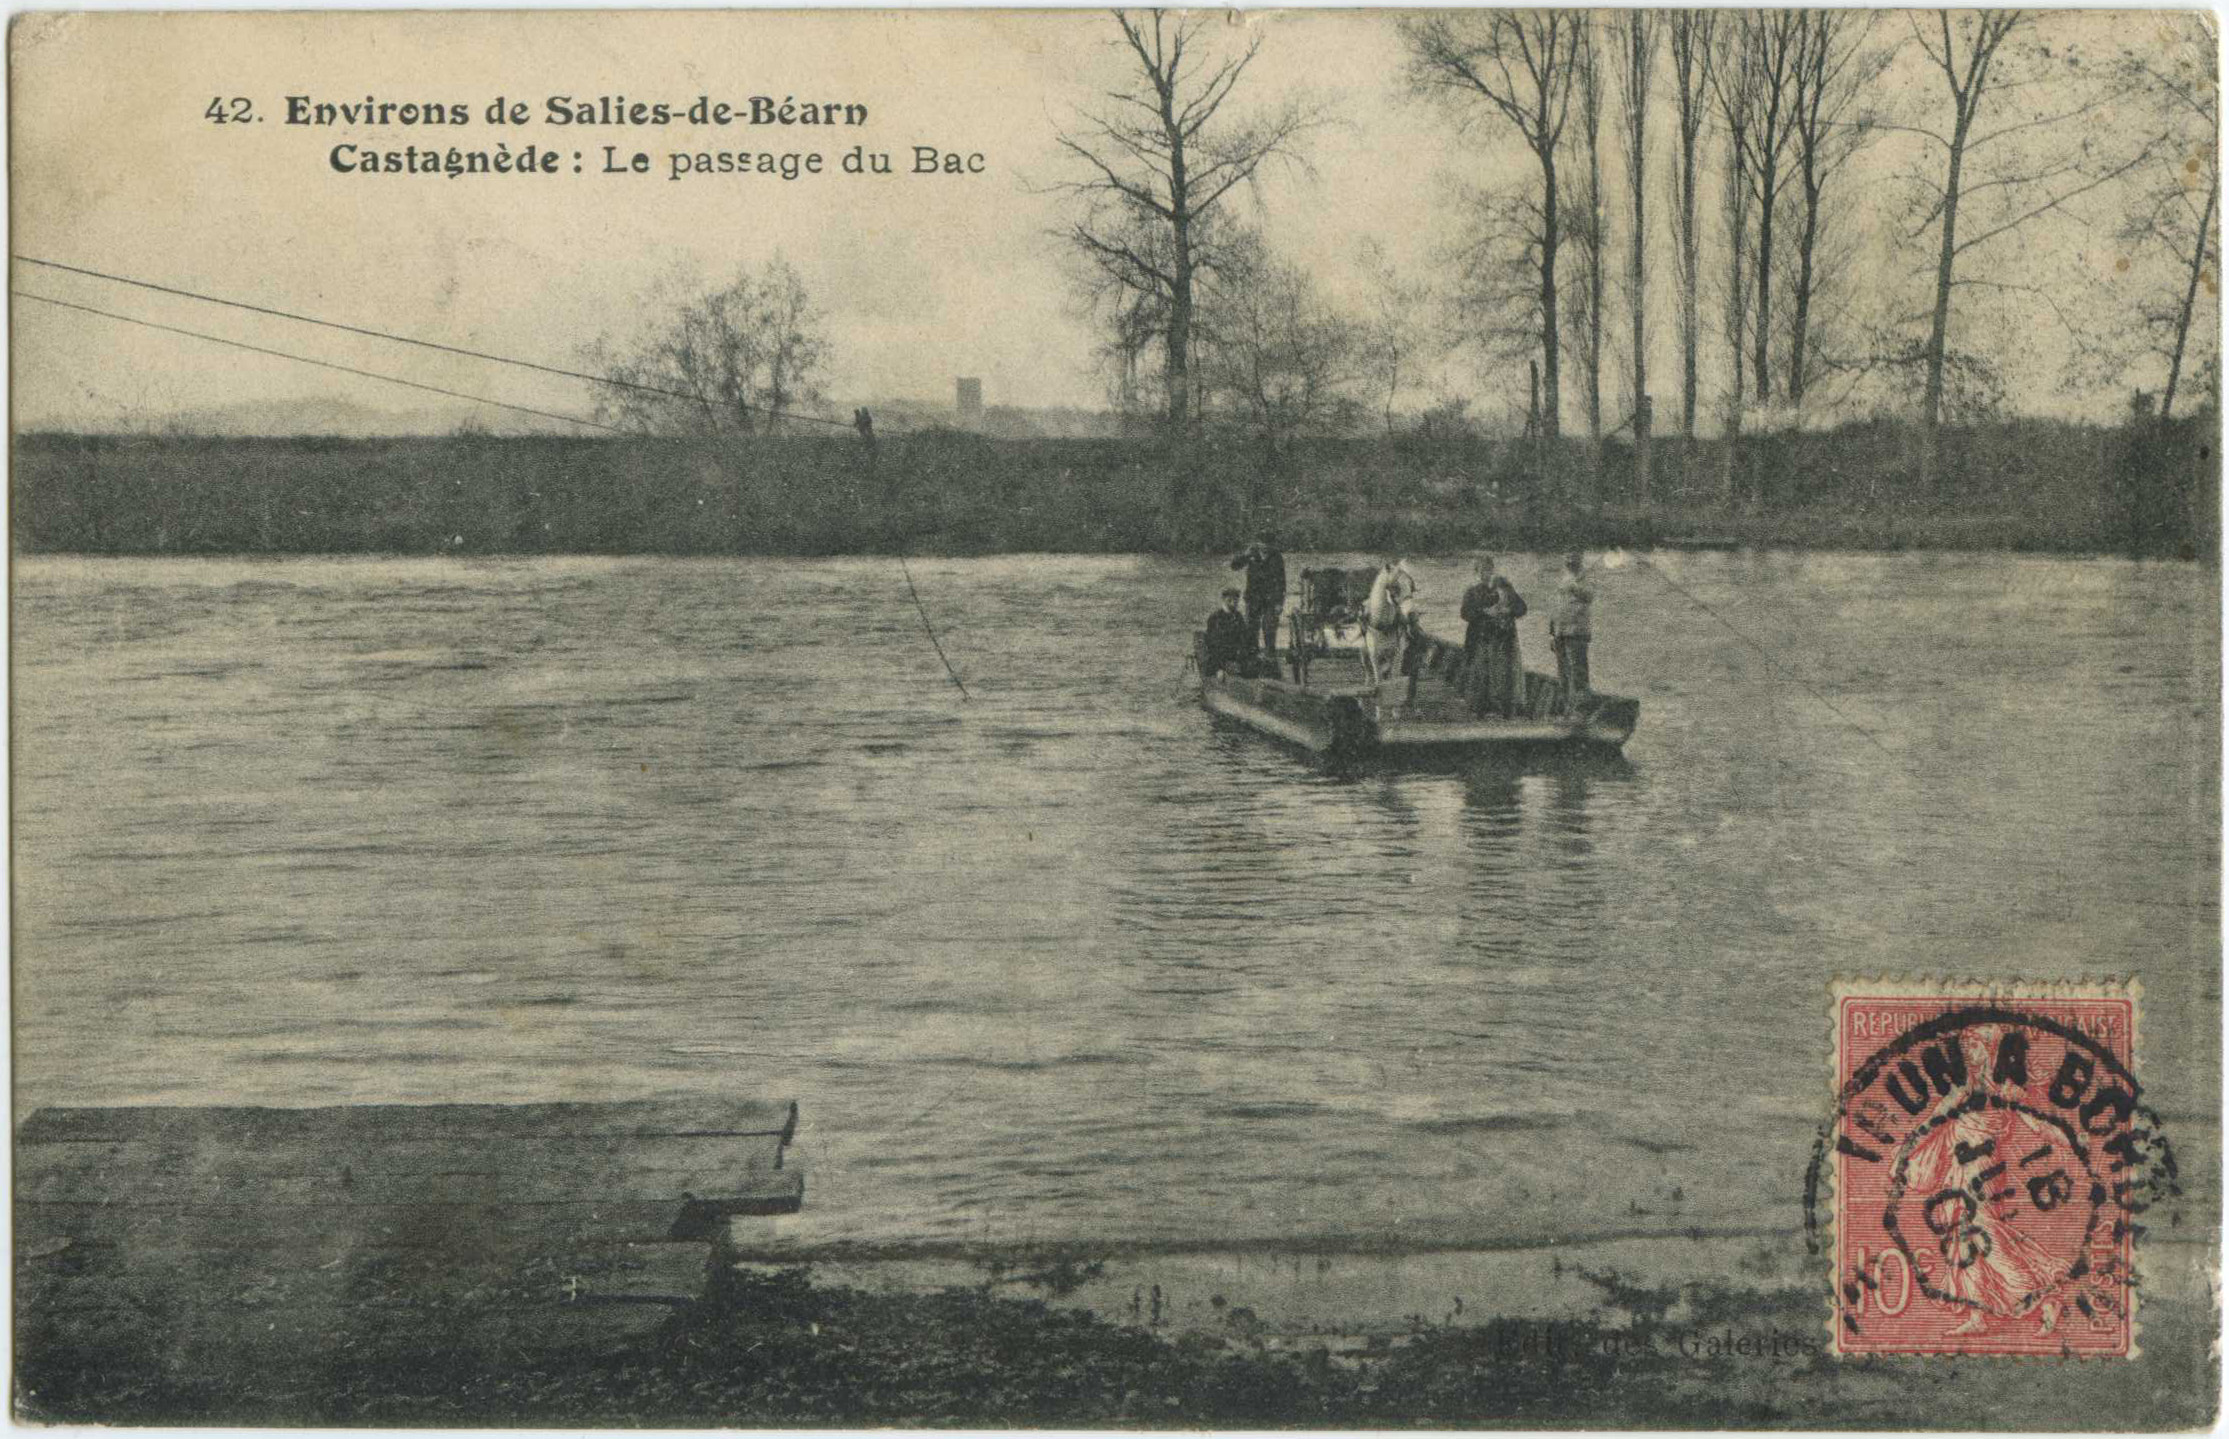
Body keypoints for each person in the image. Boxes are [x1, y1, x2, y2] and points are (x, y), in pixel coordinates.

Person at [1460, 558, 1526, 718]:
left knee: (1502, 676)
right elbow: (1465, 614)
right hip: (1480, 640)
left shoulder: (1505, 588)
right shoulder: (1472, 592)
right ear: (1476, 573)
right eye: (1482, 570)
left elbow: (1522, 608)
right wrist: (1484, 612)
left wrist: (1507, 611)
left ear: (1493, 570)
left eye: (1488, 570)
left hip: (1502, 641)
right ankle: (1480, 709)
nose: (1485, 574)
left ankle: (1502, 709)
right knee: (1481, 675)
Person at [1363, 557, 1417, 688]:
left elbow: (1405, 593)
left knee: (1411, 633)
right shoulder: (1385, 576)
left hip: (1397, 607)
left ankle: (1405, 666)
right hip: (1378, 603)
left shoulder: (1400, 574)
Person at [1229, 535, 1287, 656]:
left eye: (1268, 543)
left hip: (1271, 598)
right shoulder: (1251, 553)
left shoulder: (1276, 557)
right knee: (1251, 628)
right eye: (1262, 543)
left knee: (1269, 626)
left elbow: (1281, 582)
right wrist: (1245, 555)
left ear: (1273, 544)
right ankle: (1252, 655)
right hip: (1253, 597)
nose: (1265, 546)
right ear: (1257, 543)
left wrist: (1279, 603)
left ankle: (1270, 654)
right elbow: (1234, 566)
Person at [1549, 551, 1593, 711]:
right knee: (1563, 671)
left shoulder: (1586, 577)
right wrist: (1552, 633)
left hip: (1576, 632)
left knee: (1578, 671)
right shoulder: (1562, 578)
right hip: (1560, 631)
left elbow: (1589, 596)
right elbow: (1555, 608)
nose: (1570, 560)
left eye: (1573, 557)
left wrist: (1574, 588)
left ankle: (1581, 709)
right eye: (1567, 557)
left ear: (1580, 559)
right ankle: (1566, 706)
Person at [1201, 587, 1256, 679]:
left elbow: (1244, 639)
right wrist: (1219, 668)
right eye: (1230, 599)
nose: (1233, 602)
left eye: (1235, 599)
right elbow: (1213, 645)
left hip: (1235, 657)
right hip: (1219, 659)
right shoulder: (1215, 618)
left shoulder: (1238, 617)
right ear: (1223, 600)